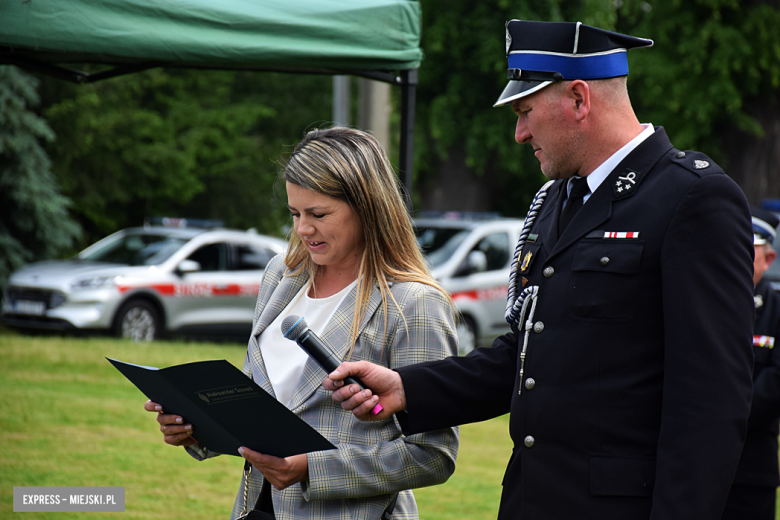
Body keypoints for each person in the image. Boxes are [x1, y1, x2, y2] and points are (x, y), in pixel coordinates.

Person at [325, 20, 755, 520]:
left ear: (579, 99)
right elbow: (530, 356)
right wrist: (408, 388)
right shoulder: (559, 199)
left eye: (526, 111)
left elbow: (710, 401)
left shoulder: (691, 197)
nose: (519, 133)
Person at [144, 127, 459, 520]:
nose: (302, 229)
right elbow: (258, 406)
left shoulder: (414, 303)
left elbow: (433, 455)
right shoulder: (282, 275)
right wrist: (197, 430)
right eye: (295, 213)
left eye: (318, 214)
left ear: (368, 206)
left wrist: (311, 468)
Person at [722, 207, 780, 520]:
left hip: (750, 468)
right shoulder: (707, 303)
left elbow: (775, 383)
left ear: (768, 260)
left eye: (748, 251)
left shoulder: (776, 310)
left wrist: (721, 418)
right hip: (694, 465)